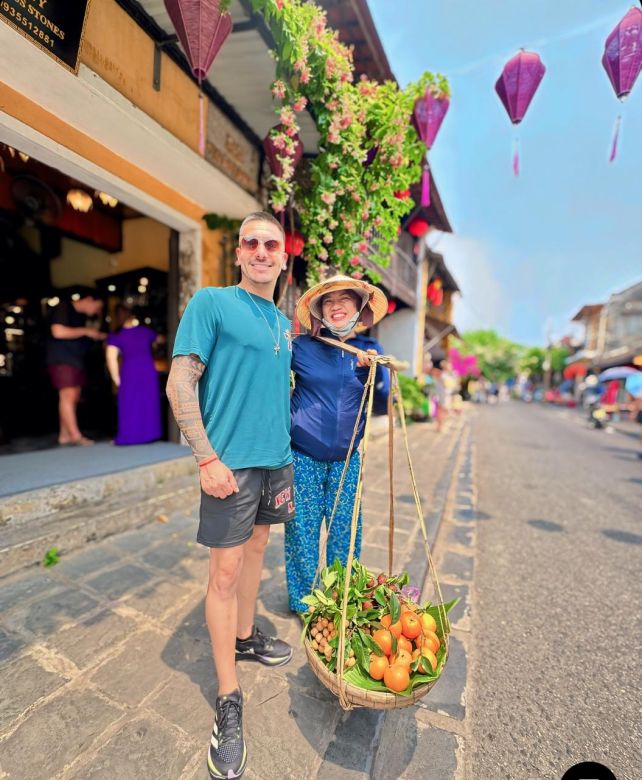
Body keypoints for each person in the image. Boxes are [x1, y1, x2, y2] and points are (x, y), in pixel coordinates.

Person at [166, 211, 294, 780]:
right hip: (230, 466)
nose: (262, 251)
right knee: (223, 573)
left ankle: (244, 637)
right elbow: (179, 382)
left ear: (283, 258)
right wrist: (207, 458)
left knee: (258, 551)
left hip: (277, 462)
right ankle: (228, 697)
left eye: (272, 243)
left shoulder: (283, 322)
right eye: (252, 243)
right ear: (238, 253)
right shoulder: (212, 303)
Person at [285, 275, 389, 614]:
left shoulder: (371, 351)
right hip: (304, 458)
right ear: (319, 311)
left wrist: (368, 372)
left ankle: (340, 600)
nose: (336, 305)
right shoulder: (301, 347)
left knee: (345, 534)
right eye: (328, 301)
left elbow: (384, 400)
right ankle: (304, 604)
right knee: (302, 532)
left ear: (359, 307)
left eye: (345, 298)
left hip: (348, 459)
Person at [46, 289, 106, 446]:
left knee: (71, 397)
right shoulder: (64, 307)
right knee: (68, 395)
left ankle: (64, 435)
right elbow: (57, 332)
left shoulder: (79, 316)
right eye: (97, 307)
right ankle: (75, 435)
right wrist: (86, 331)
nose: (96, 311)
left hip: (73, 360)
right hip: (62, 360)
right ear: (89, 299)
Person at [105, 305, 162, 445]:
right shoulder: (145, 332)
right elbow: (161, 340)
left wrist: (116, 378)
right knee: (148, 402)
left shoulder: (117, 335)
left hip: (129, 372)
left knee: (129, 404)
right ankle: (149, 434)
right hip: (147, 370)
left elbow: (110, 358)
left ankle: (129, 436)